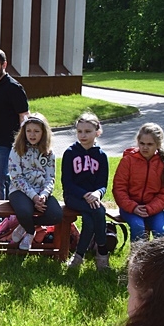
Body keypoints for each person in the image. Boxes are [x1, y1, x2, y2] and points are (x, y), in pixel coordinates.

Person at [0, 48, 29, 231]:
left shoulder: (13, 87)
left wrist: (24, 143)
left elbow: (24, 116)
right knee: (3, 181)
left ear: (4, 65)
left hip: (7, 144)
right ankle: (9, 218)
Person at [61, 112, 111, 271]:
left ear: (98, 132)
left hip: (93, 198)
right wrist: (84, 194)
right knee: (100, 210)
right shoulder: (70, 153)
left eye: (88, 131)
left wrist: (97, 193)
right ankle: (102, 251)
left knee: (90, 222)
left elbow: (103, 184)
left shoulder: (101, 156)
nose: (83, 135)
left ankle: (78, 258)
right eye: (79, 131)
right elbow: (67, 183)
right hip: (74, 196)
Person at [7, 112, 63, 250]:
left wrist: (44, 195)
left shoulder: (49, 152)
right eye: (29, 131)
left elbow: (50, 178)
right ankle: (30, 232)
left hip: (41, 191)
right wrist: (33, 196)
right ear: (24, 132)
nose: (32, 135)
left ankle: (25, 225)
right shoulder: (16, 149)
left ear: (43, 133)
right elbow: (16, 177)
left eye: (36, 131)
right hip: (20, 190)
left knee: (56, 215)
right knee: (25, 211)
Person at [112, 123, 164, 243]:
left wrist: (150, 208)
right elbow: (119, 188)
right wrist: (133, 207)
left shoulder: (163, 164)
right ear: (138, 142)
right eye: (142, 144)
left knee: (161, 231)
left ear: (158, 145)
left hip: (154, 209)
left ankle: (160, 260)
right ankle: (137, 259)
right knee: (138, 227)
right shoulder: (128, 161)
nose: (145, 147)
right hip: (129, 207)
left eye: (150, 144)